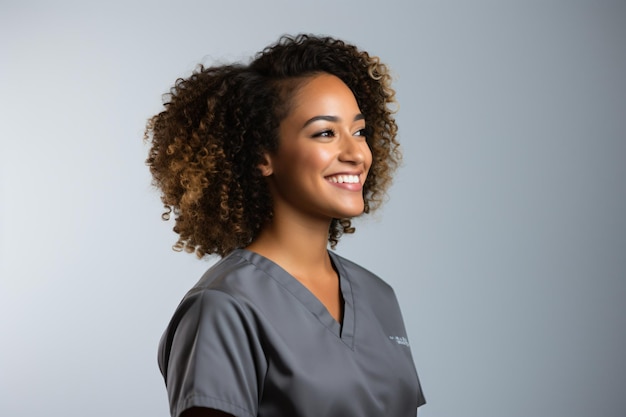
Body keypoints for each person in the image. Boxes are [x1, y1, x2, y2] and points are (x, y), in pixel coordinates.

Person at [145, 34, 426, 417]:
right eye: (325, 133)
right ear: (263, 156)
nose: (356, 153)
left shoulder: (378, 296)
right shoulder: (224, 307)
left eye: (358, 131)